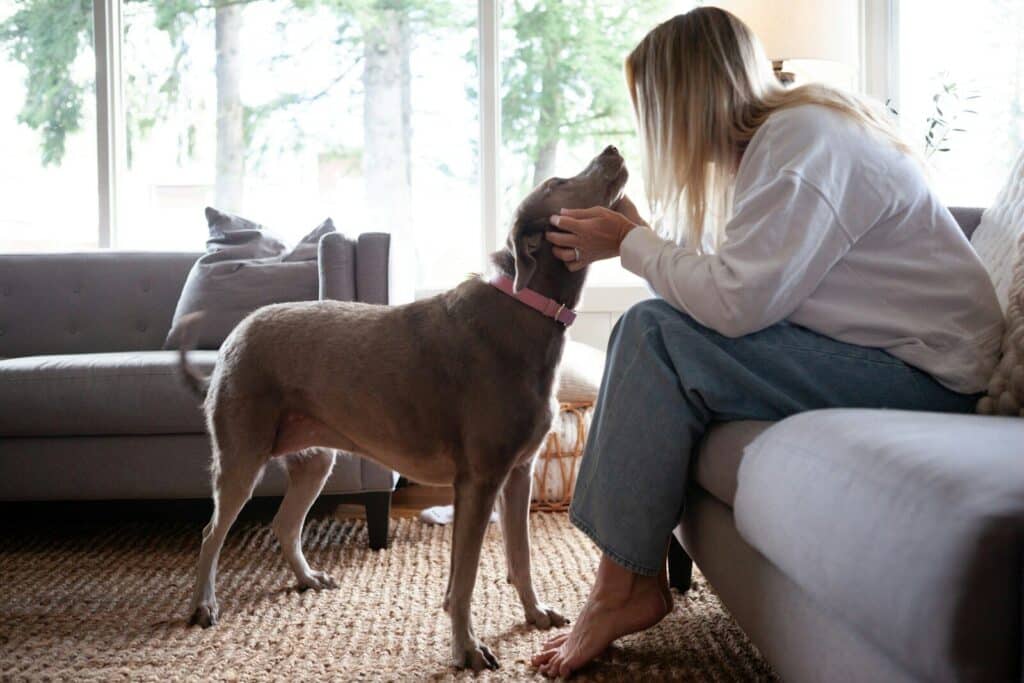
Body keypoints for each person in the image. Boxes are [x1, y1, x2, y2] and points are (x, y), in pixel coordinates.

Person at [531, 6, 1004, 678]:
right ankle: (626, 577)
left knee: (650, 330)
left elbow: (733, 302)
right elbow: (735, 286)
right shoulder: (783, 145)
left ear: (681, 99)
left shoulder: (802, 144)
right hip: (901, 361)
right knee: (658, 329)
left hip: (930, 379)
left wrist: (632, 245)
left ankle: (625, 586)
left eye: (650, 108)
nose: (648, 129)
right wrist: (641, 238)